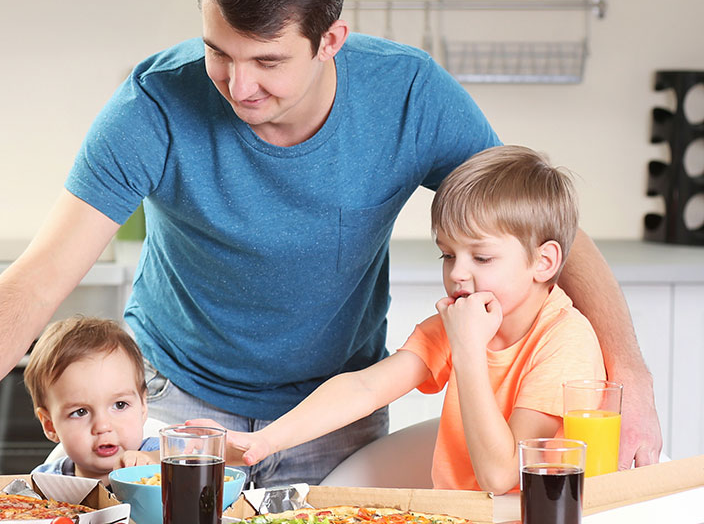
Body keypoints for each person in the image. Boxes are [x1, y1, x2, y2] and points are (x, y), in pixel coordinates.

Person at [0, 0, 661, 486]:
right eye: (219, 52)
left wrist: (630, 373)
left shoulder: (409, 97)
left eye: (267, 60)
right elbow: (44, 271)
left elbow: (537, 225)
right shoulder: (154, 105)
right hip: (169, 403)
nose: (239, 85)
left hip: (333, 411)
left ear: (332, 39)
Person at [226, 145, 605, 493]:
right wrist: (268, 441)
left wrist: (467, 350)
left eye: (482, 258)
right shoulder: (460, 321)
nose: (457, 273)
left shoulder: (564, 340)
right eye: (448, 255)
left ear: (544, 262)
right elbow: (365, 389)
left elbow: (501, 476)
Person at [24, 317, 160, 479]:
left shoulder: (159, 456)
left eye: (120, 405)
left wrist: (153, 461)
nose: (102, 426)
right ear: (50, 425)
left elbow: (189, 457)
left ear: (143, 406)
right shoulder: (44, 482)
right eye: (80, 412)